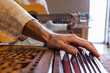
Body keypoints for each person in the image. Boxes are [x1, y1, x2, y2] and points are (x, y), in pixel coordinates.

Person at [0, 0, 100, 59]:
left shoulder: (42, 2)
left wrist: (69, 26)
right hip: (16, 41)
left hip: (37, 42)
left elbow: (49, 27)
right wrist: (21, 26)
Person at [15, 0, 79, 46]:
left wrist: (69, 26)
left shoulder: (42, 2)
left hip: (38, 43)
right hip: (21, 42)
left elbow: (50, 26)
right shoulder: (17, 1)